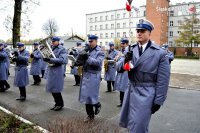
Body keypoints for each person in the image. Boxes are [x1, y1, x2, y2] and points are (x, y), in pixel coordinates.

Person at [118, 19, 170, 133]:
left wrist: (158, 100)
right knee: (131, 125)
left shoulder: (159, 53)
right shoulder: (130, 49)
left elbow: (163, 80)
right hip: (131, 92)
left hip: (146, 93)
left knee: (139, 126)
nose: (139, 33)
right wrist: (125, 61)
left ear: (149, 33)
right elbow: (118, 68)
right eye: (138, 31)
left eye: (143, 31)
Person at [78, 35, 105, 122]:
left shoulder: (100, 51)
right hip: (85, 74)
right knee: (86, 97)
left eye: (91, 41)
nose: (90, 43)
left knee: (90, 96)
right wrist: (77, 62)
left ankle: (96, 104)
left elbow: (98, 63)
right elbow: (82, 60)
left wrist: (87, 57)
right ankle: (90, 115)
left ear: (96, 41)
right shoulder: (87, 49)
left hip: (93, 75)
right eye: (89, 41)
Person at [43, 37, 67, 111]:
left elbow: (62, 60)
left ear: (58, 41)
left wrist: (50, 59)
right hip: (51, 69)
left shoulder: (62, 49)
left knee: (56, 88)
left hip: (57, 70)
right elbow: (47, 56)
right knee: (52, 88)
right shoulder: (51, 48)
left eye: (54, 41)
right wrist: (44, 55)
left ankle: (60, 104)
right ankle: (57, 103)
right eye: (52, 41)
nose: (52, 42)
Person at [114, 38, 129, 107]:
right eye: (121, 43)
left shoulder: (129, 51)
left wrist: (121, 56)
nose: (121, 45)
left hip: (126, 72)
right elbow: (117, 60)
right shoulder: (120, 51)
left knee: (125, 88)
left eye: (123, 44)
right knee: (121, 88)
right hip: (120, 71)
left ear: (127, 44)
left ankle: (126, 103)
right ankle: (121, 102)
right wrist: (116, 59)